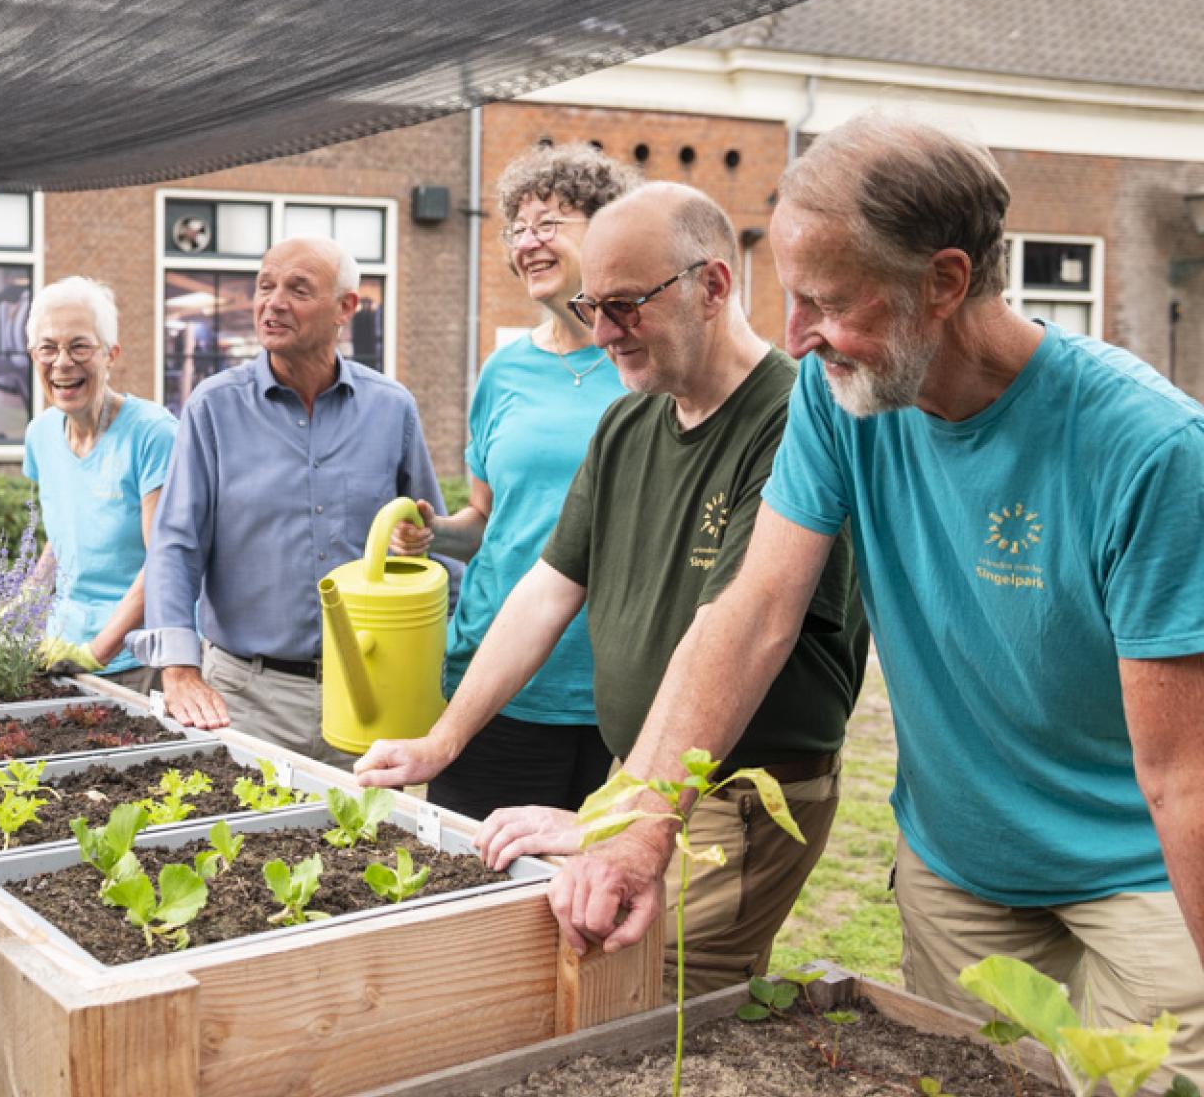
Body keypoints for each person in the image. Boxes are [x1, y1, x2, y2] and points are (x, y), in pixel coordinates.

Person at [546, 113, 1204, 1084]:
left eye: (826, 301)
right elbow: (752, 612)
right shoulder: (837, 395)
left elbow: (1184, 776)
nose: (796, 336)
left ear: (943, 282)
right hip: (958, 868)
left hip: (1138, 880)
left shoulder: (1149, 449)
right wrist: (642, 825)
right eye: (790, 298)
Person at [360, 183, 868, 992]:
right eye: (593, 306)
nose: (600, 334)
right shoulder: (629, 422)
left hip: (735, 792)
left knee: (651, 999)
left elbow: (741, 627)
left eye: (625, 307)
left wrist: (629, 811)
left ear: (713, 285)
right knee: (596, 983)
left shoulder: (796, 419)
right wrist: (443, 741)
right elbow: (548, 590)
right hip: (643, 775)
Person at [385, 142, 639, 819]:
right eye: (518, 228)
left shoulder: (646, 368)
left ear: (610, 230)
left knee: (587, 905)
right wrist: (435, 533)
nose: (527, 242)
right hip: (495, 682)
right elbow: (487, 523)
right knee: (472, 884)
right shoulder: (504, 371)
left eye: (550, 223)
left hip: (609, 689)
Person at [133, 235, 445, 765]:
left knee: (369, 846)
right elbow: (176, 543)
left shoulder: (392, 410)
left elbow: (435, 550)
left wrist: (442, 666)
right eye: (265, 286)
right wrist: (180, 670)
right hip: (246, 699)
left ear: (346, 307)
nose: (273, 302)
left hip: (373, 692)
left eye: (298, 289)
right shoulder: (213, 408)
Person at [21, 276, 178, 685]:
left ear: (111, 354)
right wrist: (21, 610)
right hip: (62, 650)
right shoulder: (40, 434)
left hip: (137, 660)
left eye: (79, 346)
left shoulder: (153, 434)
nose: (62, 362)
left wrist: (96, 652)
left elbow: (164, 560)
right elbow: (64, 536)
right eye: (48, 347)